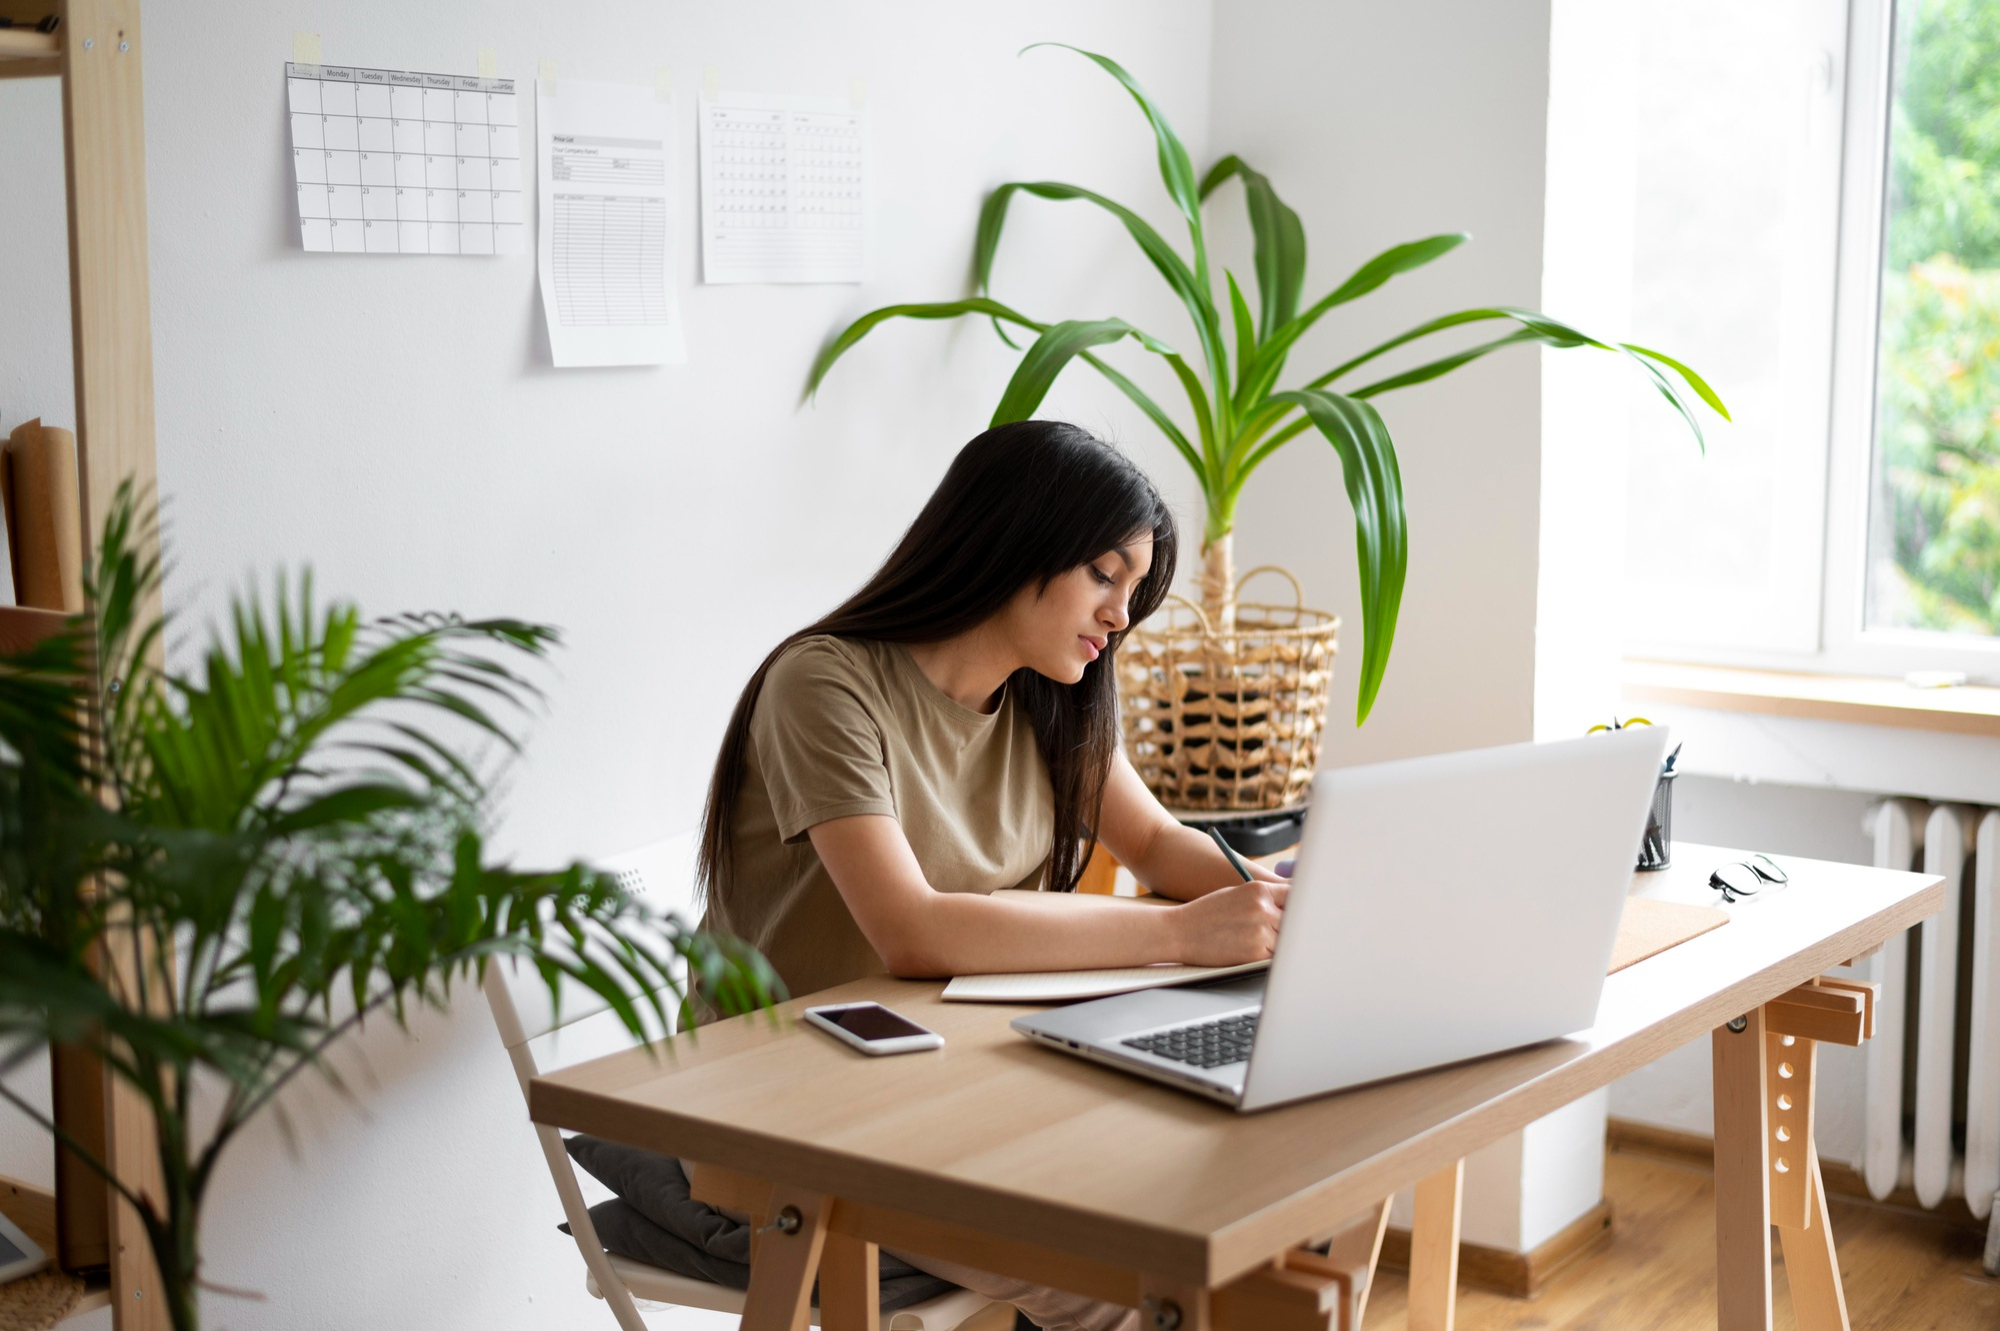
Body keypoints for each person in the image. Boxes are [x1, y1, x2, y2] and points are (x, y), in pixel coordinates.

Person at [694, 420, 1288, 1331]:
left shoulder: (1054, 698)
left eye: (1133, 588)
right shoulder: (825, 684)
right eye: (1104, 574)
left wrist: (1298, 893)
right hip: (790, 1107)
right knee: (1142, 1275)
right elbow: (912, 928)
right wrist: (1177, 932)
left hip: (960, 1075)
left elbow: (1163, 849)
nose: (1120, 616)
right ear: (1014, 540)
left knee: (1257, 1198)